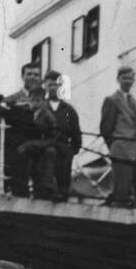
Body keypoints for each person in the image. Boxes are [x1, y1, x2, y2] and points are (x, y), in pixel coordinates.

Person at [3, 63, 56, 200]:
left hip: (38, 146)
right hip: (18, 145)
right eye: (29, 74)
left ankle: (43, 192)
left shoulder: (46, 101)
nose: (33, 77)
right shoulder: (12, 99)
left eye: (36, 74)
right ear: (22, 76)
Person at [100, 66, 136, 206]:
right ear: (118, 79)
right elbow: (105, 128)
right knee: (122, 191)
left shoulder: (134, 100)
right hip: (121, 150)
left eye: (130, 78)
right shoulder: (112, 100)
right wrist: (115, 146)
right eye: (124, 78)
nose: (128, 81)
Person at [43, 70, 81, 201]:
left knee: (63, 187)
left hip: (64, 153)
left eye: (56, 84)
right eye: (50, 85)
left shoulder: (69, 110)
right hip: (45, 151)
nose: (53, 87)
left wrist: (71, 152)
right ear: (45, 86)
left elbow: (77, 136)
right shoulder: (41, 107)